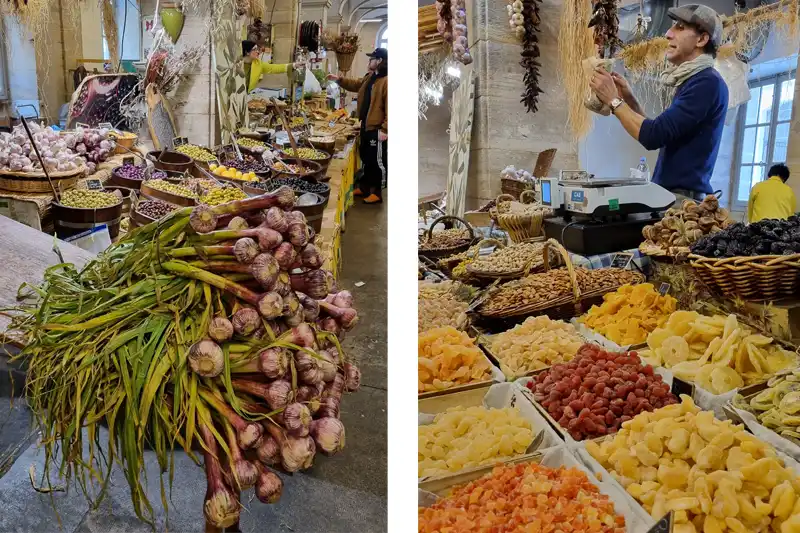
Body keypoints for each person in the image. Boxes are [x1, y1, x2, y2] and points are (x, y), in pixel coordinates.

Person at [589, 4, 729, 204]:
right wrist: (629, 99)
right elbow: (660, 133)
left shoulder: (706, 83)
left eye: (680, 27)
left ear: (702, 39)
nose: (668, 34)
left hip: (683, 203)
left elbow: (653, 136)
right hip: (674, 196)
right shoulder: (692, 80)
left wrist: (613, 100)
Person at [328, 48, 388, 204]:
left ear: (379, 61)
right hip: (365, 125)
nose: (369, 62)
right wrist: (338, 79)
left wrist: (385, 129)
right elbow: (356, 85)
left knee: (376, 161)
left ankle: (376, 192)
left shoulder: (387, 81)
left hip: (377, 129)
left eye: (372, 59)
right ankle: (364, 188)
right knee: (366, 158)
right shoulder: (371, 77)